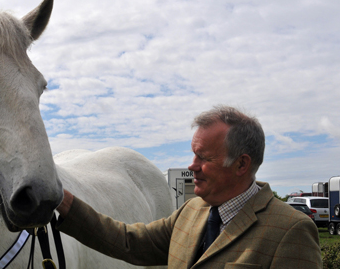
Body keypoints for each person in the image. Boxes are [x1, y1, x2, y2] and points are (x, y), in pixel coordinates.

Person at [56, 105, 322, 268]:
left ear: (241, 164)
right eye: (194, 154)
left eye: (204, 158)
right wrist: (65, 202)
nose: (192, 166)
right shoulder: (192, 212)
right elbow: (129, 241)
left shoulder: (292, 231)